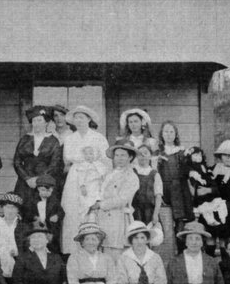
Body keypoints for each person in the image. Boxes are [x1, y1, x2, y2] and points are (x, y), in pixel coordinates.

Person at [60, 106, 110, 252]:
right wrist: (81, 163)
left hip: (94, 176)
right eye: (76, 118)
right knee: (72, 209)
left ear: (89, 119)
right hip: (76, 176)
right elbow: (67, 159)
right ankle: (72, 250)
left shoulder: (98, 137)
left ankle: (93, 248)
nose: (79, 120)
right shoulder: (70, 138)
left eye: (82, 117)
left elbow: (106, 159)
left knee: (91, 209)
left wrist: (97, 171)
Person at [94, 142, 140, 261]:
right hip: (102, 218)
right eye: (117, 155)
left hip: (118, 218)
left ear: (130, 157)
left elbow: (122, 199)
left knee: (115, 252)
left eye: (123, 155)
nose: (119, 158)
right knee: (102, 252)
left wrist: (101, 205)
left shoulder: (131, 176)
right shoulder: (109, 174)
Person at [13, 105, 62, 207]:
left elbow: (55, 164)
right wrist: (27, 178)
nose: (36, 123)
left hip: (45, 183)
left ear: (46, 122)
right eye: (34, 121)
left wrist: (39, 179)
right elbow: (17, 162)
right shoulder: (25, 139)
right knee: (23, 208)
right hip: (24, 183)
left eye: (39, 120)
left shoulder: (53, 141)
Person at [156, 120, 190, 260]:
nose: (169, 134)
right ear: (161, 134)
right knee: (167, 230)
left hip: (179, 193)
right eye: (166, 131)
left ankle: (181, 259)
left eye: (171, 131)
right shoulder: (158, 153)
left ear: (175, 134)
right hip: (163, 192)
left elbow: (186, 174)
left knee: (180, 228)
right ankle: (168, 260)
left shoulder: (181, 152)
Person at [24, 173, 63, 253]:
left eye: (48, 191)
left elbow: (61, 212)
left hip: (50, 228)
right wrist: (34, 217)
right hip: (36, 228)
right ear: (38, 189)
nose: (45, 193)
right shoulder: (32, 200)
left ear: (52, 190)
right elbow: (26, 212)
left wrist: (57, 216)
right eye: (43, 190)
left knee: (53, 247)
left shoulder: (54, 201)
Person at [131, 143, 163, 227]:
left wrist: (155, 214)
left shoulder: (155, 174)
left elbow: (158, 197)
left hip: (149, 213)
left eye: (145, 153)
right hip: (134, 212)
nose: (143, 156)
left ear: (150, 156)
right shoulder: (132, 172)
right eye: (140, 154)